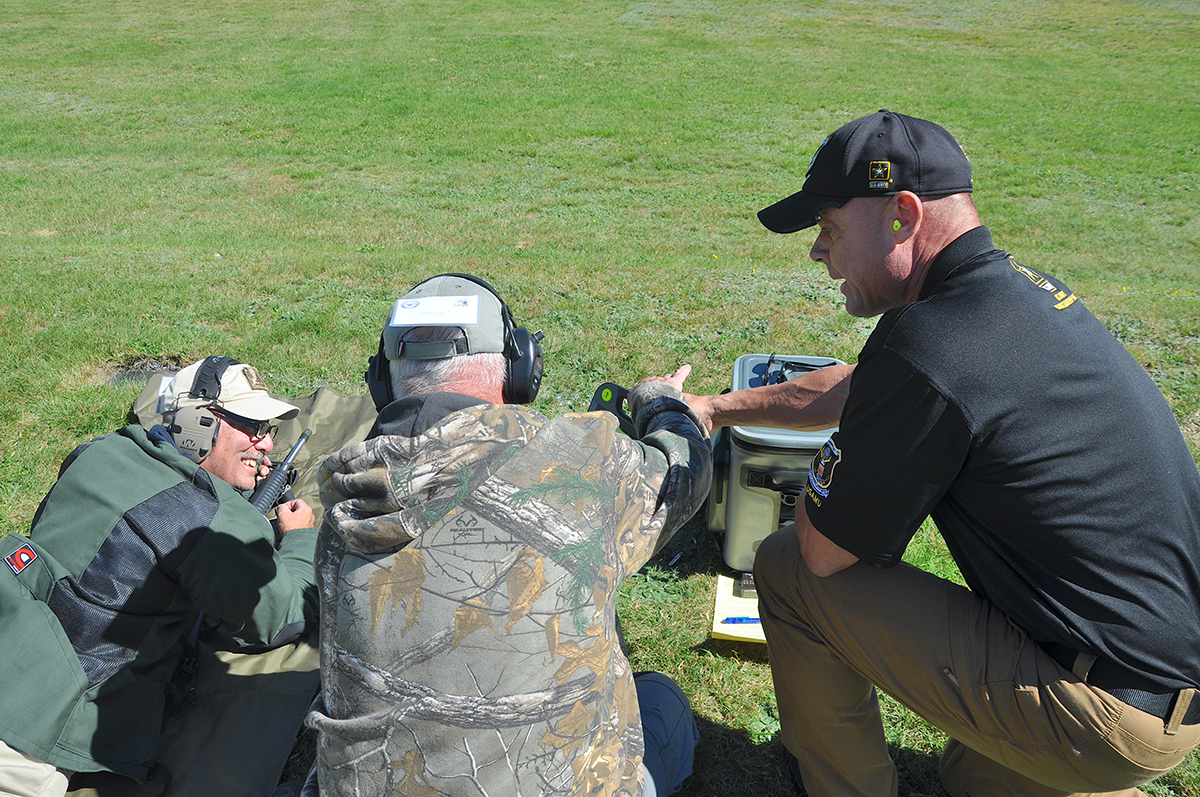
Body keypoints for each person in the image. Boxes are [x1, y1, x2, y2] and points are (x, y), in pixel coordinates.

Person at [682, 110, 1200, 796]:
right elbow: (864, 386)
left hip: (1102, 708)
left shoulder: (931, 347)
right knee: (966, 780)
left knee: (786, 566)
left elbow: (823, 550)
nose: (818, 252)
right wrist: (714, 410)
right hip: (1163, 684)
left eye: (830, 228)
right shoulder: (1008, 293)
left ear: (902, 213)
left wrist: (852, 456)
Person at [305, 273, 711, 797]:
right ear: (520, 368)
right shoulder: (584, 461)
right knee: (663, 704)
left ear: (382, 381)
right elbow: (684, 471)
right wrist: (662, 400)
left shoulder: (344, 508)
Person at [0, 356, 322, 797]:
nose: (264, 443)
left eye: (268, 430)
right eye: (251, 425)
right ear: (198, 422)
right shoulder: (207, 519)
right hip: (25, 731)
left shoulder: (100, 451)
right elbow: (281, 618)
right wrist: (299, 540)